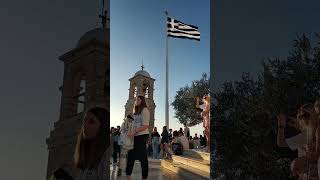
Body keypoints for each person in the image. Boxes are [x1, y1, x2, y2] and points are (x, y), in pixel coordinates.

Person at [277, 105, 319, 179]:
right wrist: (281, 127)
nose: (302, 119)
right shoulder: (304, 137)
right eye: (300, 117)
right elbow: (281, 143)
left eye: (305, 116)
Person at [73, 107, 110, 180]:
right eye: (85, 121)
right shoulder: (87, 156)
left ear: (102, 126)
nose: (85, 125)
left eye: (91, 122)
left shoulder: (107, 154)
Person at [126, 95, 150, 180]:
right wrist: (130, 131)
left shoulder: (145, 110)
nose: (136, 101)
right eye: (136, 99)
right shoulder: (135, 112)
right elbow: (134, 124)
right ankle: (128, 176)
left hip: (142, 135)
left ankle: (144, 177)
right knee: (130, 156)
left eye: (138, 99)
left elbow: (145, 125)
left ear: (142, 101)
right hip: (135, 136)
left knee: (142, 157)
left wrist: (134, 131)